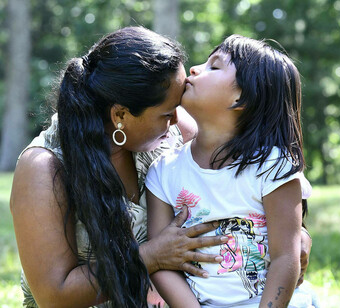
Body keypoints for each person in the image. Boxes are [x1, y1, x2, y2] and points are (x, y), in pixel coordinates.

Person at [10, 26, 312, 307]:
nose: (177, 121)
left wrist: (294, 241)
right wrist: (150, 257)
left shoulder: (177, 134)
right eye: (168, 113)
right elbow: (54, 295)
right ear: (121, 115)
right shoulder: (44, 168)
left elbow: (254, 207)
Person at [146, 35, 319, 307]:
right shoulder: (163, 172)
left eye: (214, 66)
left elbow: (287, 257)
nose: (194, 69)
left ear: (242, 97)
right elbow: (161, 262)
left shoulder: (273, 166)